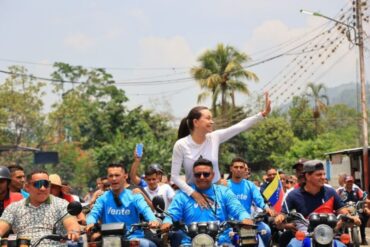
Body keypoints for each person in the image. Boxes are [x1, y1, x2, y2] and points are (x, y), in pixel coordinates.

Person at [171, 93, 271, 207]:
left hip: (217, 194)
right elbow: (174, 177)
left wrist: (262, 114)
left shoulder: (214, 137)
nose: (212, 122)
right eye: (208, 118)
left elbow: (239, 127)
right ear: (196, 122)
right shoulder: (180, 145)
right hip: (192, 197)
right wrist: (194, 194)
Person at [161, 157, 261, 246]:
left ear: (213, 175)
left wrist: (245, 218)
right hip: (189, 243)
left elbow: (238, 209)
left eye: (206, 174)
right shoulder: (183, 195)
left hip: (222, 242)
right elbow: (171, 214)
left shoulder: (224, 192)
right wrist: (167, 222)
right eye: (198, 174)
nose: (202, 177)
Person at [275, 160, 361, 247]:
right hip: (305, 235)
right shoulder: (293, 194)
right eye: (319, 175)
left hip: (330, 234)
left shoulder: (330, 192)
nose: (323, 177)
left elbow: (342, 210)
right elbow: (283, 214)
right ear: (307, 176)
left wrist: (351, 217)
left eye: (324, 174)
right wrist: (280, 217)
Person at [86, 163, 160, 247]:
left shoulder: (135, 196)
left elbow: (146, 210)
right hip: (108, 241)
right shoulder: (102, 199)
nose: (114, 179)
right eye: (111, 176)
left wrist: (153, 220)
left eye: (117, 175)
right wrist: (90, 223)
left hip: (133, 239)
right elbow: (93, 214)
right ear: (108, 178)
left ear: (125, 176)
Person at [0, 170, 80, 246]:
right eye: (37, 184)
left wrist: (73, 232)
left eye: (46, 184)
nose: (43, 188)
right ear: (27, 187)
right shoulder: (14, 208)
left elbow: (72, 224)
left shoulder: (61, 204)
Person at [227, 157, 273, 246]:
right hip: (229, 224)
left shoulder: (250, 185)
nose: (238, 169)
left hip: (247, 223)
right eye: (236, 167)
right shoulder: (224, 185)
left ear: (245, 170)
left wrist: (266, 208)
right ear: (231, 169)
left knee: (266, 230)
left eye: (241, 167)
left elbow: (259, 199)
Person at [337, 175, 368, 245]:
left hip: (355, 209)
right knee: (338, 219)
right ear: (345, 182)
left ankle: (363, 238)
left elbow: (363, 197)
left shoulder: (356, 189)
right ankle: (340, 238)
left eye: (351, 182)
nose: (350, 183)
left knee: (363, 216)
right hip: (343, 210)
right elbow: (335, 198)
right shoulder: (340, 190)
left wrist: (364, 204)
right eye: (348, 182)